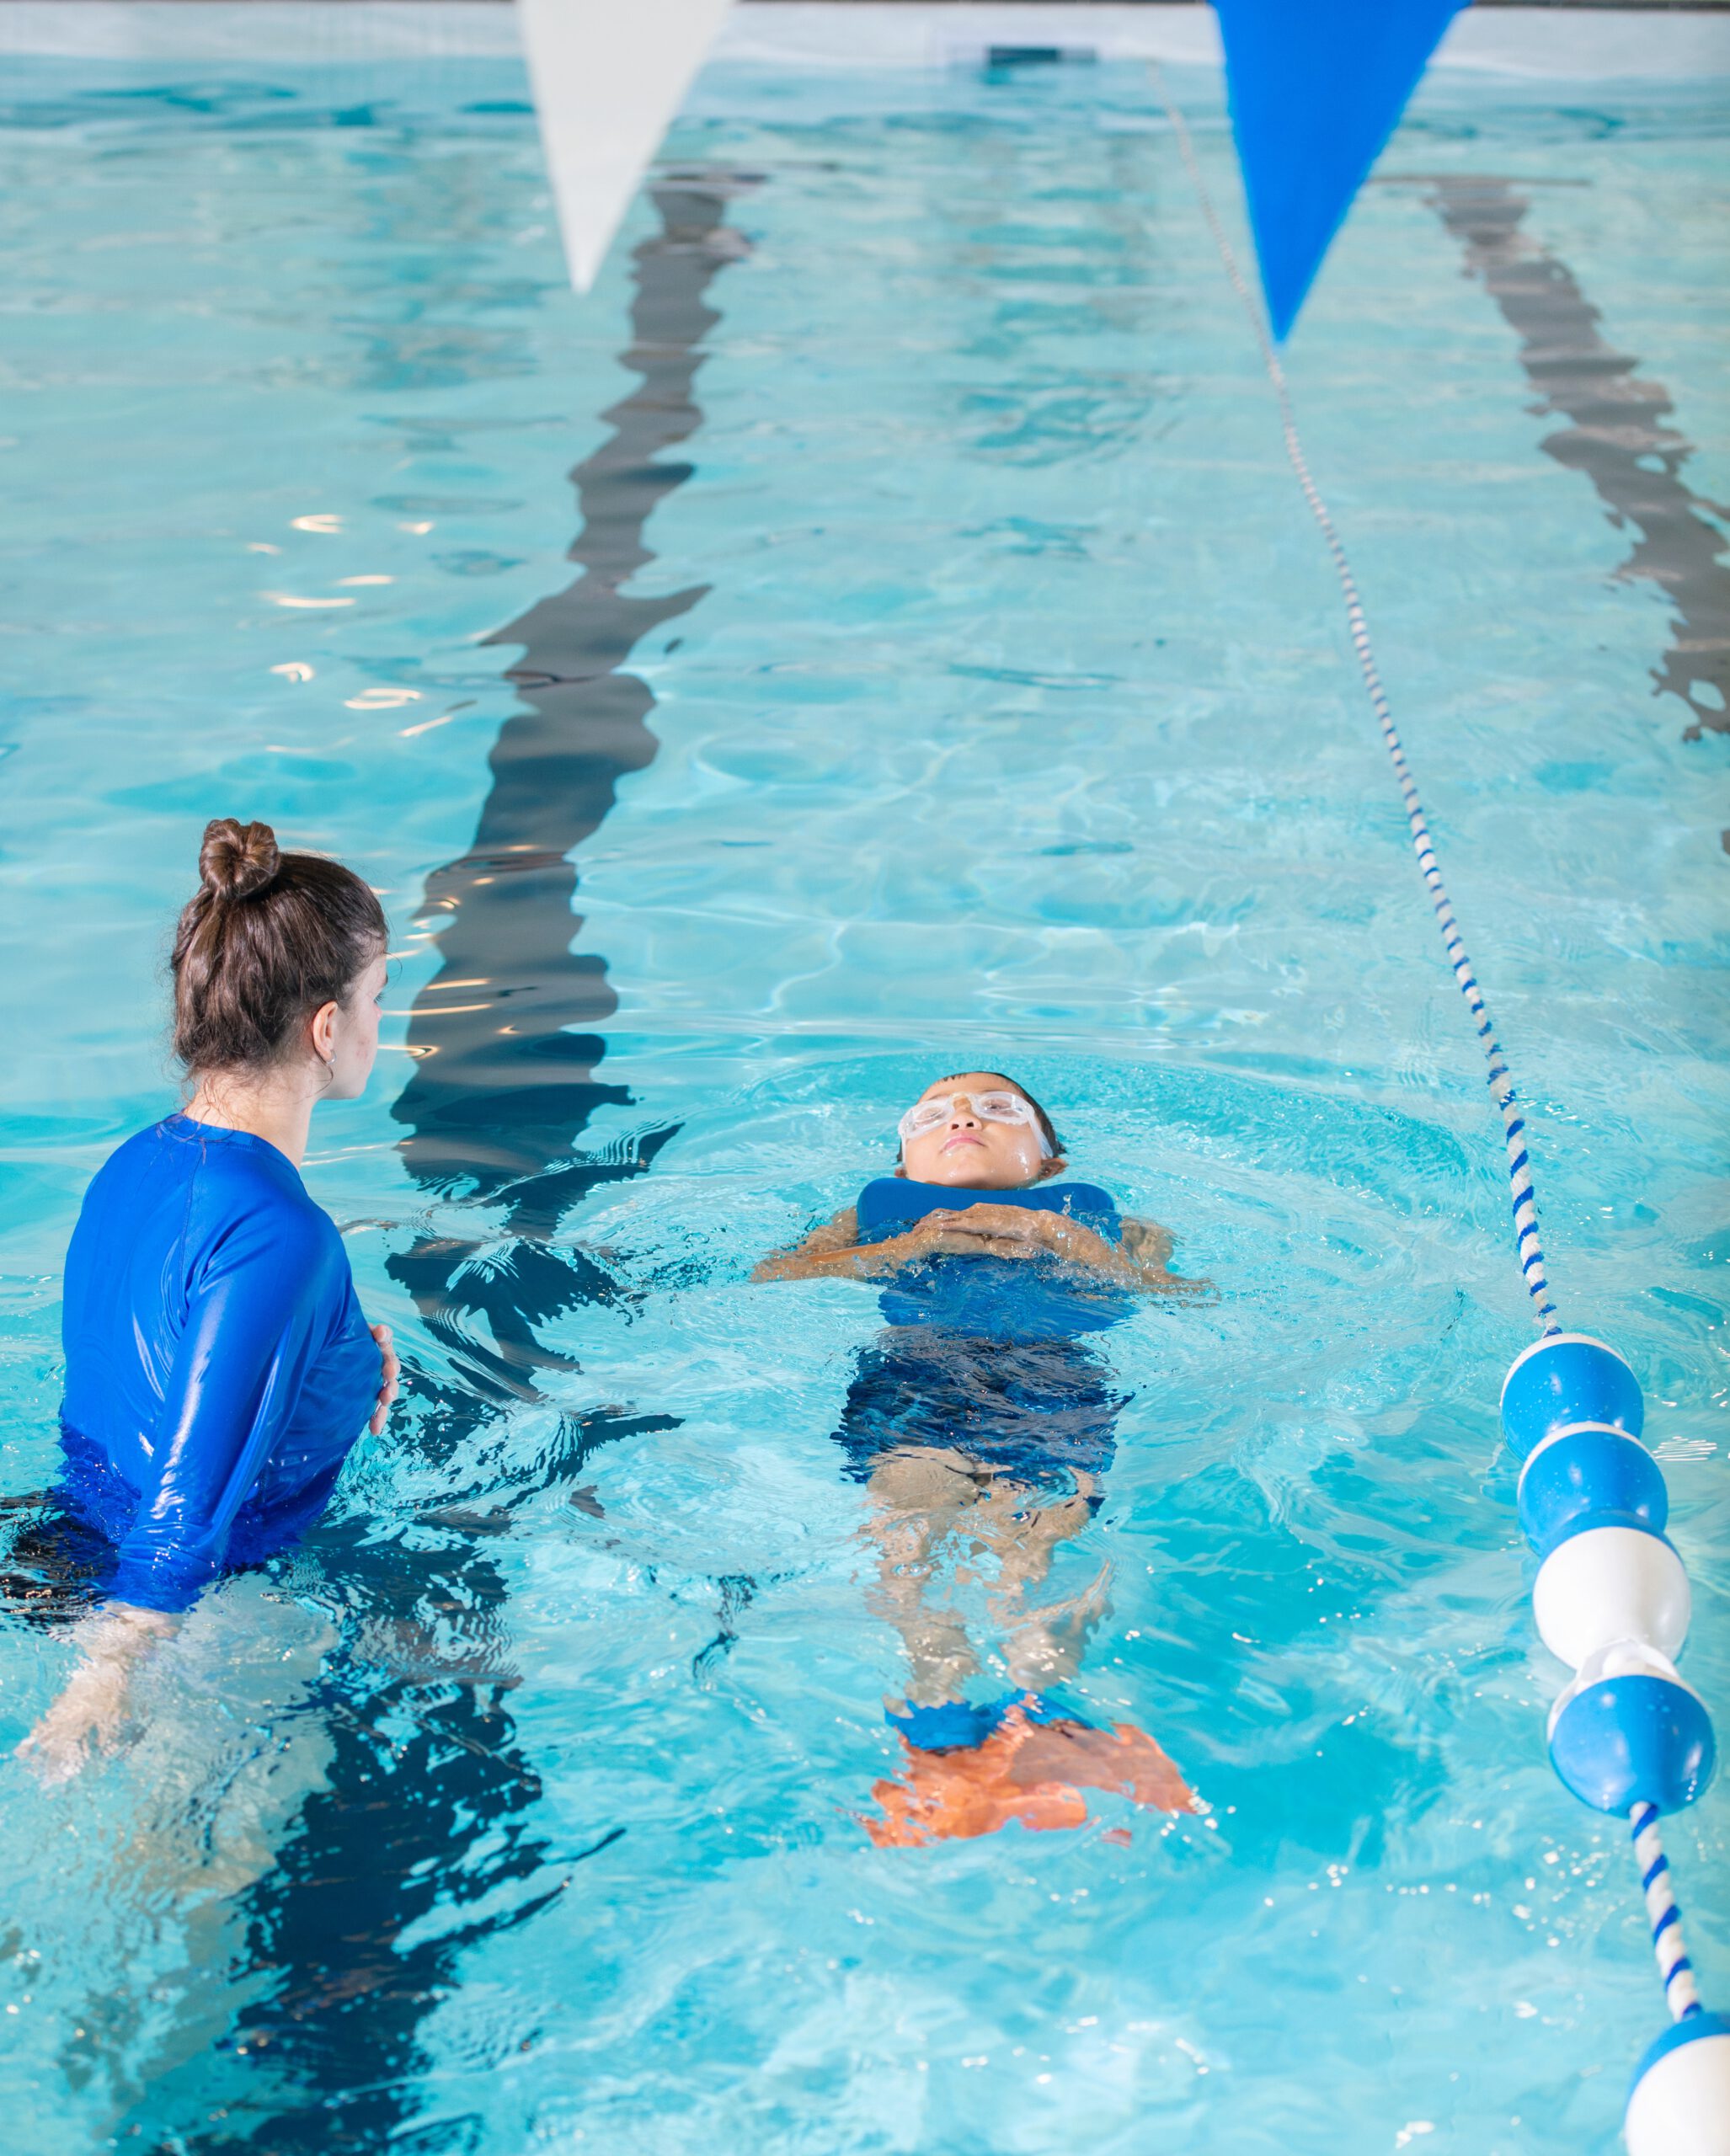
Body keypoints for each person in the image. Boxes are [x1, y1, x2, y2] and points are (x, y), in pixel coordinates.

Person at [14, 818, 399, 1781]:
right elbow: (190, 1500)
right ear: (324, 1027)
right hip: (192, 1619)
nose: (377, 1028)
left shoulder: (134, 1162)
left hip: (57, 1546)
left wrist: (347, 1375)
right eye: (376, 1000)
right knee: (186, 1900)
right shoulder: (282, 1233)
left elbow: (142, 1378)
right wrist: (106, 1676)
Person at [756, 1070, 1205, 1845]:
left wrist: (1078, 1248)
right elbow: (773, 1276)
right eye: (932, 1116)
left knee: (1034, 1545)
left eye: (998, 1110)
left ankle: (1045, 1710)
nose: (963, 1119)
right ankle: (936, 1712)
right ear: (905, 1169)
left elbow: (1181, 1297)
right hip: (915, 1382)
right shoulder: (869, 1218)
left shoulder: (1121, 1225)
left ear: (1049, 1161)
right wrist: (913, 1244)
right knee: (906, 1530)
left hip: (1054, 1389)